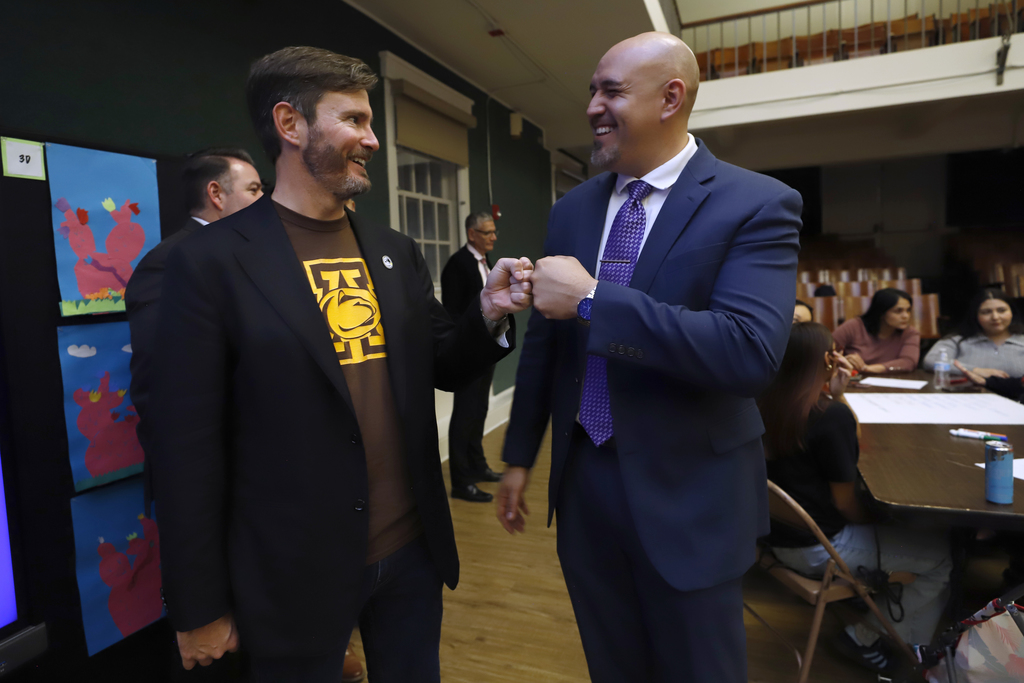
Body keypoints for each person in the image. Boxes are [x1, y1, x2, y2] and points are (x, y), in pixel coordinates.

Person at [147, 46, 533, 682]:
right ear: (290, 124)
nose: (373, 139)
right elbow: (184, 445)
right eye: (354, 120)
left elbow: (441, 361)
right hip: (292, 566)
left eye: (371, 122)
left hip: (410, 551)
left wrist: (486, 314)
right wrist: (198, 605)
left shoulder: (393, 250)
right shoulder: (210, 261)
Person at [497, 32, 802, 682]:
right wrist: (520, 456)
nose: (592, 107)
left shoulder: (757, 204)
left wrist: (591, 300)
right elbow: (546, 346)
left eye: (611, 91)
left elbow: (748, 351)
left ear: (670, 97)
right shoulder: (572, 209)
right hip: (587, 487)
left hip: (692, 496)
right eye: (591, 91)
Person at [761, 323, 952, 673]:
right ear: (826, 360)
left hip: (773, 536)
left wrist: (835, 395)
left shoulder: (761, 401)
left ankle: (878, 614)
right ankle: (871, 639)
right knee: (941, 556)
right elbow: (846, 504)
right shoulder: (828, 416)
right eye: (834, 353)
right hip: (817, 548)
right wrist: (884, 520)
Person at [127, 147, 263, 514]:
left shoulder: (249, 258)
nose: (265, 200)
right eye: (253, 190)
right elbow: (162, 383)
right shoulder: (169, 262)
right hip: (210, 478)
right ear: (217, 194)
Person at [441, 211, 503, 503]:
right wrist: (464, 347)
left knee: (479, 410)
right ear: (472, 234)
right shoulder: (458, 264)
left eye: (494, 232)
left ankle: (478, 466)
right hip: (467, 352)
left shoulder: (484, 262)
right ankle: (461, 481)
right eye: (487, 232)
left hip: (485, 348)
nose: (493, 237)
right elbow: (452, 312)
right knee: (464, 415)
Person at [923, 288, 1024, 379]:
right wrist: (974, 370)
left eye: (1001, 311)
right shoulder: (958, 341)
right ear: (976, 316)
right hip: (966, 396)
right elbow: (930, 362)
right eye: (986, 312)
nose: (995, 317)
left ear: (1012, 313)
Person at [833, 287, 920, 373]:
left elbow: (909, 362)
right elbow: (825, 351)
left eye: (908, 310)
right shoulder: (854, 326)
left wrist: (867, 368)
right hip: (853, 381)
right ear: (881, 312)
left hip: (890, 381)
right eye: (898, 311)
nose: (906, 316)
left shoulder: (910, 333)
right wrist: (842, 360)